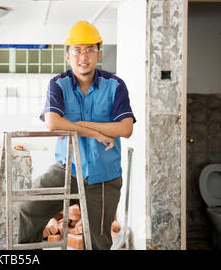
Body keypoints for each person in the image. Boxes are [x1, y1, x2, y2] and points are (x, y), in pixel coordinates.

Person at [17, 20, 136, 250]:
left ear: (98, 54)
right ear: (68, 55)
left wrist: (77, 124)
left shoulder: (115, 85)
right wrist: (97, 132)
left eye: (90, 49)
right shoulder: (57, 85)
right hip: (67, 168)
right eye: (77, 50)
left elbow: (125, 128)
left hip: (104, 174)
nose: (84, 56)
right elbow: (53, 123)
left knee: (98, 241)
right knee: (29, 205)